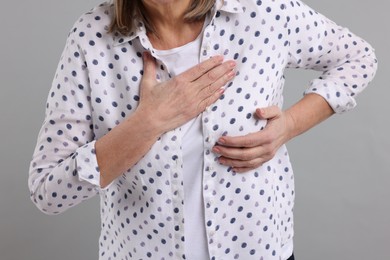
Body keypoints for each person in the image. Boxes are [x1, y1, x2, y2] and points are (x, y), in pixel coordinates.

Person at [29, 0, 377, 259]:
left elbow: (358, 58)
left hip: (258, 249)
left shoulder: (264, 12)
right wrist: (148, 123)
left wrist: (289, 125)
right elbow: (48, 190)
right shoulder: (92, 37)